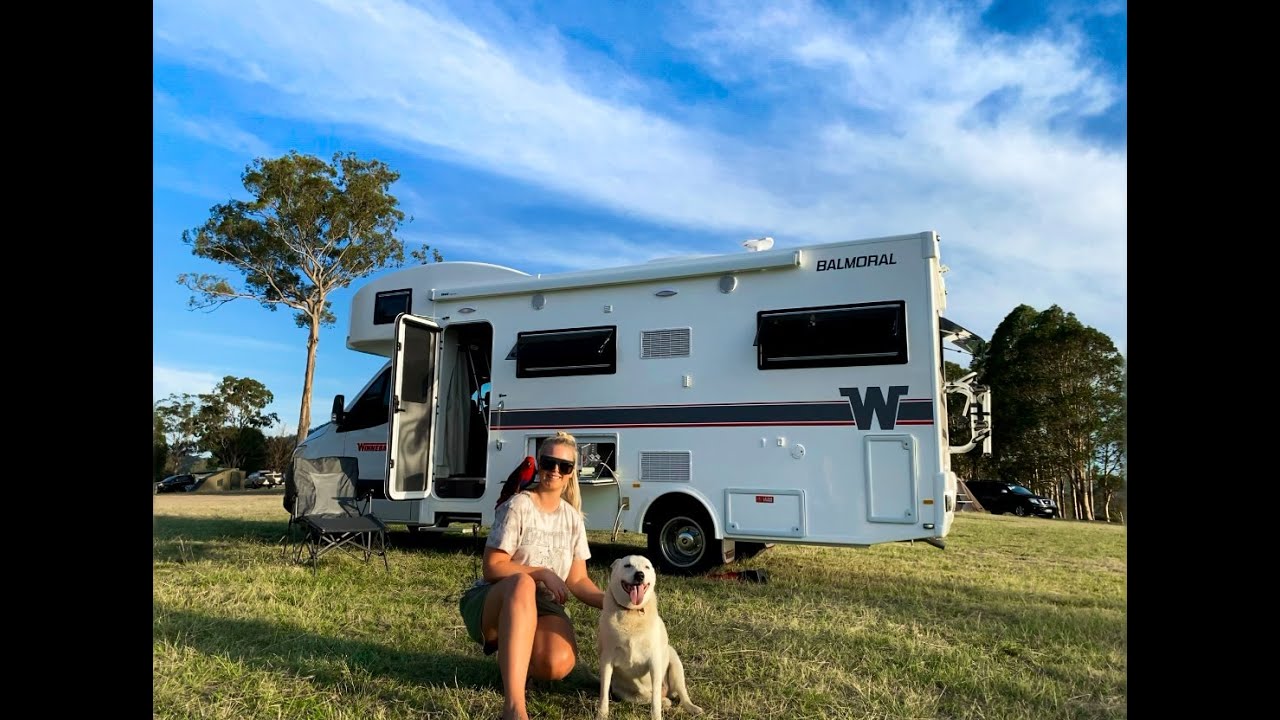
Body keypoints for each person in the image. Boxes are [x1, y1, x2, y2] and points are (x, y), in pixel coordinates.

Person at [458, 431, 605, 720]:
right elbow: (493, 567)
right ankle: (514, 708)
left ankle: (516, 658)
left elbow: (578, 580)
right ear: (539, 463)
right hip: (497, 598)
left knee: (556, 663)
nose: (555, 470)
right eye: (549, 462)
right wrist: (541, 572)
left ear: (571, 473)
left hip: (542, 605)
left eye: (564, 466)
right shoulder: (519, 505)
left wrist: (615, 601)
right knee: (524, 582)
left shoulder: (572, 519)